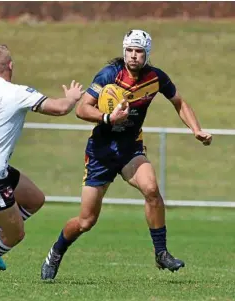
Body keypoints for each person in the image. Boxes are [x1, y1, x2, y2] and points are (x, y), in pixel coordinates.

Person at [41, 29, 212, 280]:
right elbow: (81, 109)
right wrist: (109, 117)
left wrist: (196, 129)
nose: (133, 56)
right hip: (100, 153)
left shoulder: (156, 78)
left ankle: (161, 253)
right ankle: (56, 252)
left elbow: (179, 102)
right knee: (86, 221)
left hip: (131, 149)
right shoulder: (109, 75)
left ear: (147, 54)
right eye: (129, 50)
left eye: (139, 51)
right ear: (124, 51)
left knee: (152, 189)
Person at [0, 44, 84, 283]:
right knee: (15, 234)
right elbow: (59, 109)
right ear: (11, 66)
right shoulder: (16, 93)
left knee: (35, 199)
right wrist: (71, 98)